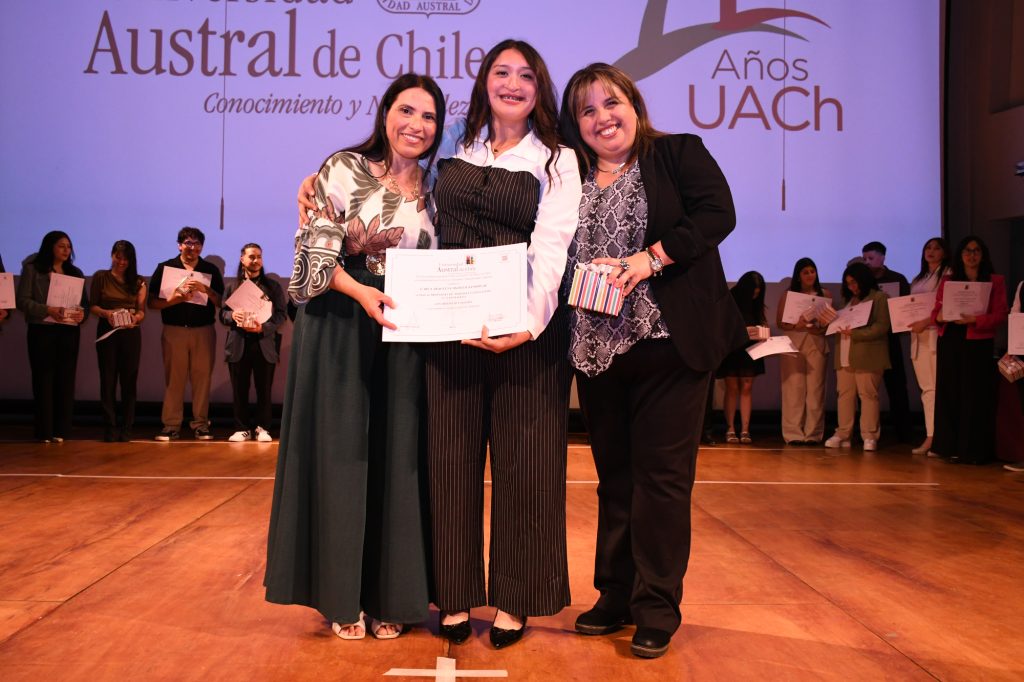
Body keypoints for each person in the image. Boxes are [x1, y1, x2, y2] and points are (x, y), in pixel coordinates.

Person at [558, 63, 746, 659]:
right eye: (587, 110)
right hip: (596, 349)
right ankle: (615, 595)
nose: (602, 117)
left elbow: (717, 214)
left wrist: (652, 258)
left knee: (661, 482)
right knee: (615, 480)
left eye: (611, 103)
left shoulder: (676, 153)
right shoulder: (566, 175)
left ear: (634, 105)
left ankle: (657, 607)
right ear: (575, 125)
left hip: (668, 343)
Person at [266, 73, 445, 641]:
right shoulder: (342, 167)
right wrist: (361, 291)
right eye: (406, 110)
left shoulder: (441, 188)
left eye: (429, 116)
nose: (416, 125)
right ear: (385, 113)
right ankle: (341, 598)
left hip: (405, 331)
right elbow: (312, 254)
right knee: (340, 456)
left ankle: (392, 594)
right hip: (341, 322)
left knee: (399, 458)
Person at [425, 39, 582, 650]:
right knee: (449, 462)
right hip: (452, 327)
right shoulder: (452, 143)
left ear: (540, 89)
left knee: (528, 469)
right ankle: (454, 592)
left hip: (529, 336)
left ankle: (516, 598)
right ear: (484, 81)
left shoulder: (559, 159)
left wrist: (528, 325)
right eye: (501, 72)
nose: (512, 84)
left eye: (525, 75)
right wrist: (323, 177)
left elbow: (553, 246)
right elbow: (401, 179)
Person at [930, 236, 1008, 464]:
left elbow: (1000, 314)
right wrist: (940, 316)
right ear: (960, 254)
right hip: (951, 340)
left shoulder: (995, 280)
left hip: (978, 342)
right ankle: (948, 446)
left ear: (983, 255)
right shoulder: (948, 281)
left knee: (975, 394)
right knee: (949, 392)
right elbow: (936, 312)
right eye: (967, 251)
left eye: (976, 251)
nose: (971, 255)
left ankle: (973, 450)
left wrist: (975, 320)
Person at [148, 227, 224, 441]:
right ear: (179, 245)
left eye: (197, 243)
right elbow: (151, 303)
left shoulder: (210, 269)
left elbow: (222, 302)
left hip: (203, 331)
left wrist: (205, 289)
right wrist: (174, 299)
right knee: (175, 379)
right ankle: (171, 425)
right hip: (174, 330)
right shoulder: (166, 268)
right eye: (188, 243)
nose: (193, 247)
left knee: (202, 379)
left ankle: (201, 424)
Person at [16, 231, 89, 442]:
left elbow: (83, 304)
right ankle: (44, 431)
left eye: (69, 246)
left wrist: (81, 314)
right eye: (61, 246)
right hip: (42, 330)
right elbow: (22, 301)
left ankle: (61, 430)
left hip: (68, 331)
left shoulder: (75, 272)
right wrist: (47, 309)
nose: (66, 250)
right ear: (50, 247)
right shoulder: (33, 269)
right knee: (43, 379)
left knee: (65, 380)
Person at [220, 243, 287, 442]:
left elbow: (281, 315)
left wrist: (263, 328)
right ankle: (241, 428)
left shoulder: (273, 287)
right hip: (238, 344)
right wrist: (233, 315)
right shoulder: (232, 286)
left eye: (259, 256)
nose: (255, 260)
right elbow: (222, 315)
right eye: (251, 256)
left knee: (264, 389)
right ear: (242, 259)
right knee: (239, 389)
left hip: (264, 343)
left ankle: (263, 428)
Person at [823, 262, 891, 451]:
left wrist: (856, 333)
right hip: (845, 353)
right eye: (848, 283)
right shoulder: (847, 302)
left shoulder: (879, 298)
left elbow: (882, 326)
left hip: (867, 355)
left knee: (868, 395)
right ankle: (843, 433)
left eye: (854, 282)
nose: (852, 287)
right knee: (845, 395)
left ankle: (869, 435)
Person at [89, 240, 147, 442]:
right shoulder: (101, 277)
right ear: (112, 255)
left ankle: (127, 427)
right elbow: (93, 306)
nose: (121, 262)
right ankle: (110, 427)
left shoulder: (138, 281)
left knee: (129, 381)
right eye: (118, 257)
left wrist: (135, 318)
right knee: (107, 379)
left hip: (130, 333)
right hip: (107, 332)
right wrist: (107, 314)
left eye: (126, 259)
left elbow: (142, 311)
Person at [776, 258, 831, 445]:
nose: (810, 275)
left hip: (816, 342)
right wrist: (796, 325)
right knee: (793, 388)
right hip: (793, 343)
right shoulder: (789, 294)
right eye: (805, 272)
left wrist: (818, 327)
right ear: (798, 275)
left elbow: (828, 323)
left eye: (812, 271)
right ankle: (793, 433)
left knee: (816, 390)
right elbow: (780, 322)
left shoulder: (824, 294)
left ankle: (813, 434)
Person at [862, 241, 911, 441]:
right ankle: (866, 432)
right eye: (864, 258)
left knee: (897, 385)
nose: (867, 262)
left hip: (890, 337)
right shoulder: (863, 280)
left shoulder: (898, 279)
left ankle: (903, 432)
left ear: (882, 257)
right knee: (866, 387)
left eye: (871, 258)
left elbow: (907, 307)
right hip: (869, 338)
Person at [905, 238, 950, 455]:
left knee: (937, 388)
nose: (931, 251)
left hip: (935, 335)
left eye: (936, 248)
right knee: (927, 389)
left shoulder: (948, 274)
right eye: (928, 248)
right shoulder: (918, 278)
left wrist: (926, 321)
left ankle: (940, 437)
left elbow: (947, 307)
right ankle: (931, 435)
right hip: (918, 337)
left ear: (945, 252)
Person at [717, 271, 767, 444]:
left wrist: (762, 332)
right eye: (753, 292)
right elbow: (722, 325)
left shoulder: (755, 304)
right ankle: (730, 428)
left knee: (747, 387)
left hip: (751, 349)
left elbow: (761, 320)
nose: (755, 296)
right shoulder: (731, 298)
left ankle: (745, 430)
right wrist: (741, 331)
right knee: (732, 387)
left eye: (758, 293)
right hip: (733, 349)